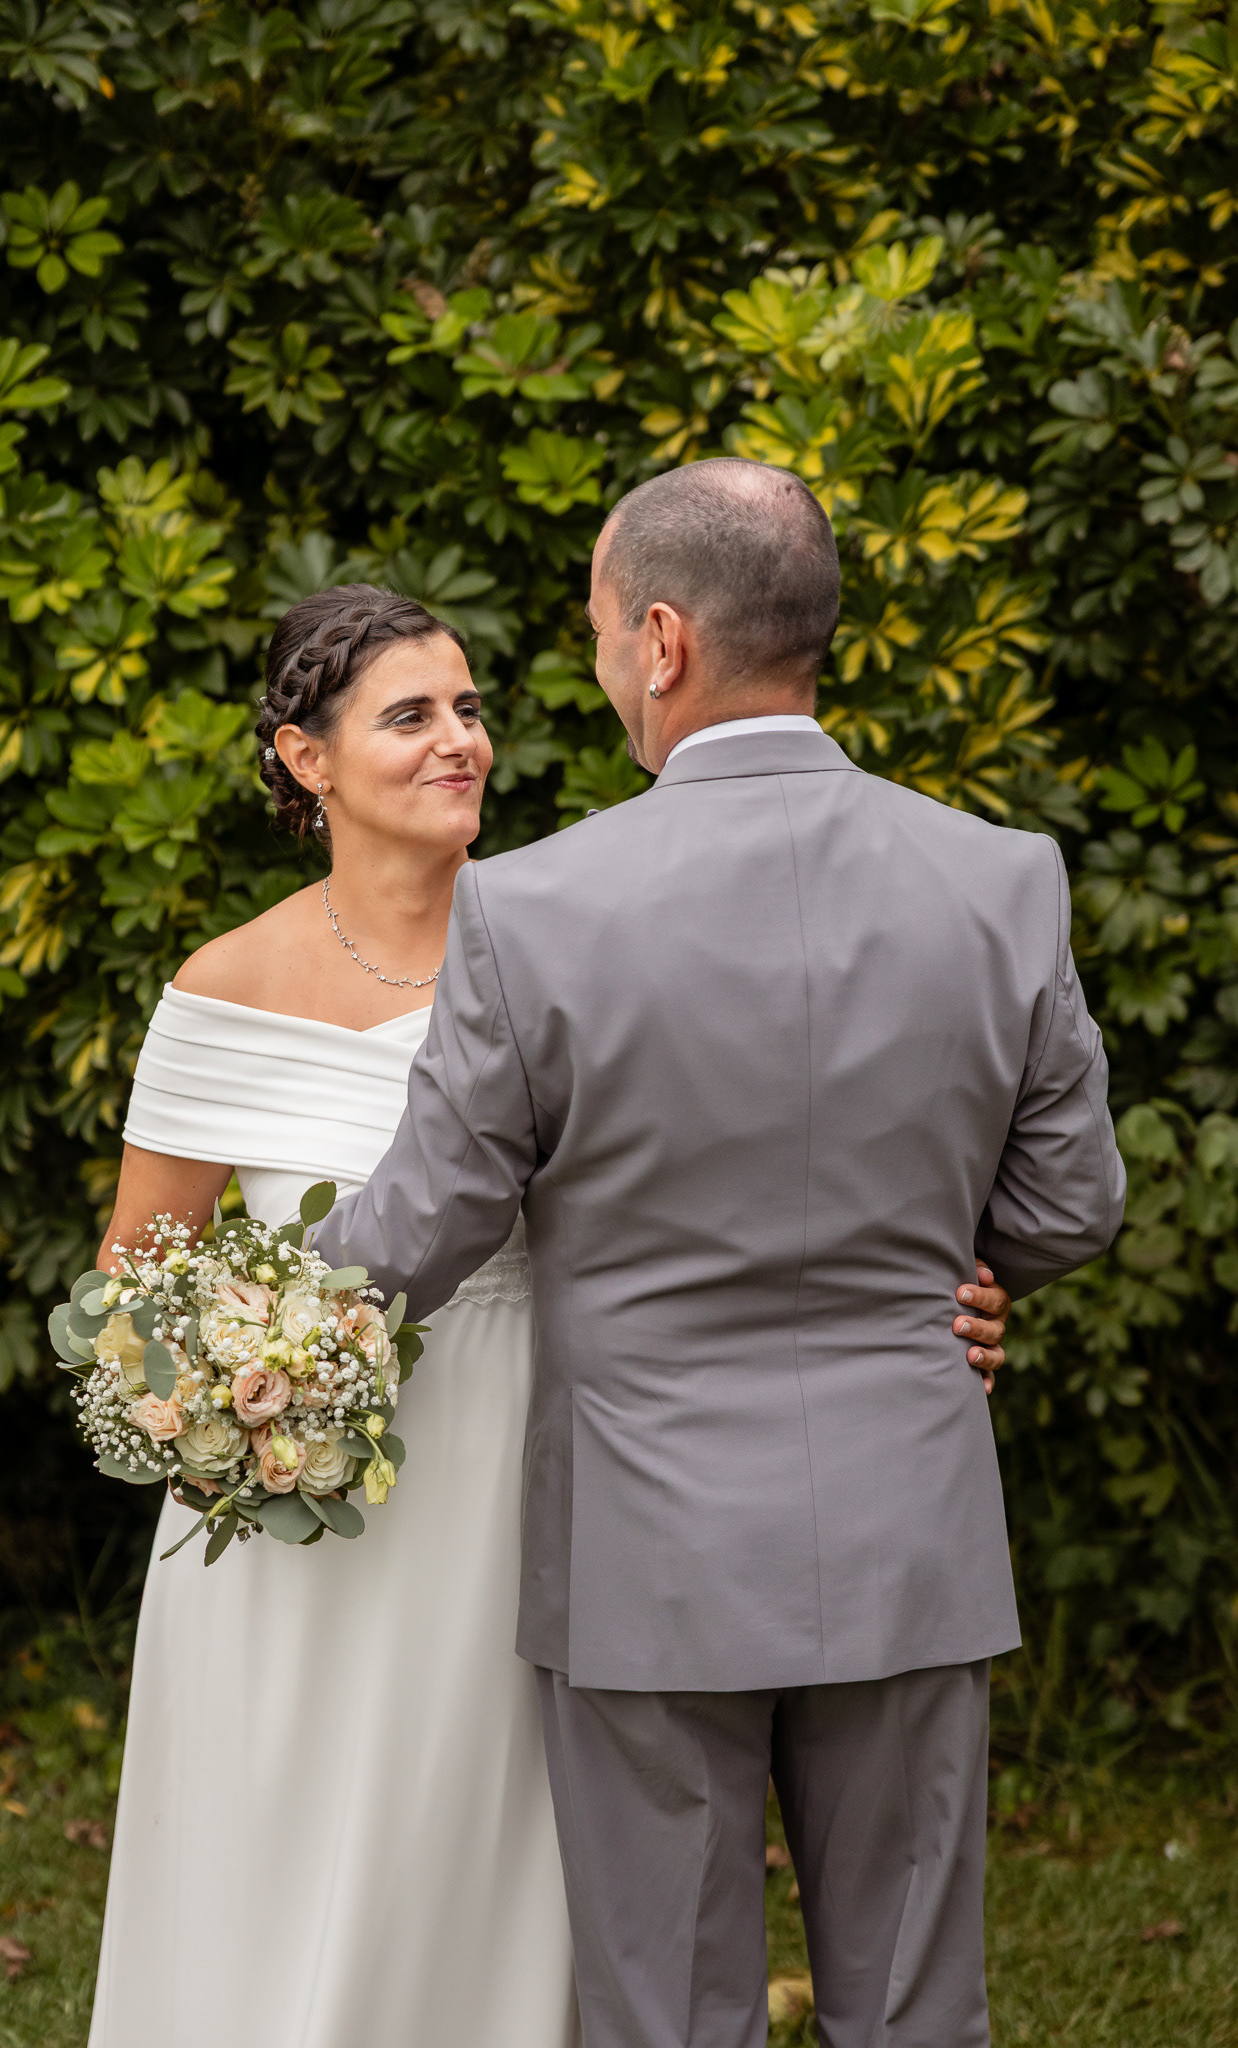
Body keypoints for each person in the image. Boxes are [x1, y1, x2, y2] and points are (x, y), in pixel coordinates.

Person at [86, 574, 1011, 2048]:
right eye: (409, 716)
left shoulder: (576, 920)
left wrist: (915, 1291)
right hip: (305, 1505)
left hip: (569, 1469)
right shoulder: (224, 989)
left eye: (468, 708)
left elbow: (769, 1165)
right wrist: (232, 1401)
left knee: (536, 1861)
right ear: (304, 758)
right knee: (305, 1847)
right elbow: (134, 1287)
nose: (459, 740)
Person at [311, 462, 1126, 2048]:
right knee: (915, 2008)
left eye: (600, 628)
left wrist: (234, 1323)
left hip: (645, 1548)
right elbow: (1070, 1203)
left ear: (665, 641)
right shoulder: (1001, 879)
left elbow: (419, 1228)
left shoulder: (532, 909)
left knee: (669, 2012)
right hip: (907, 1521)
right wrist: (959, 1280)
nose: (600, 661)